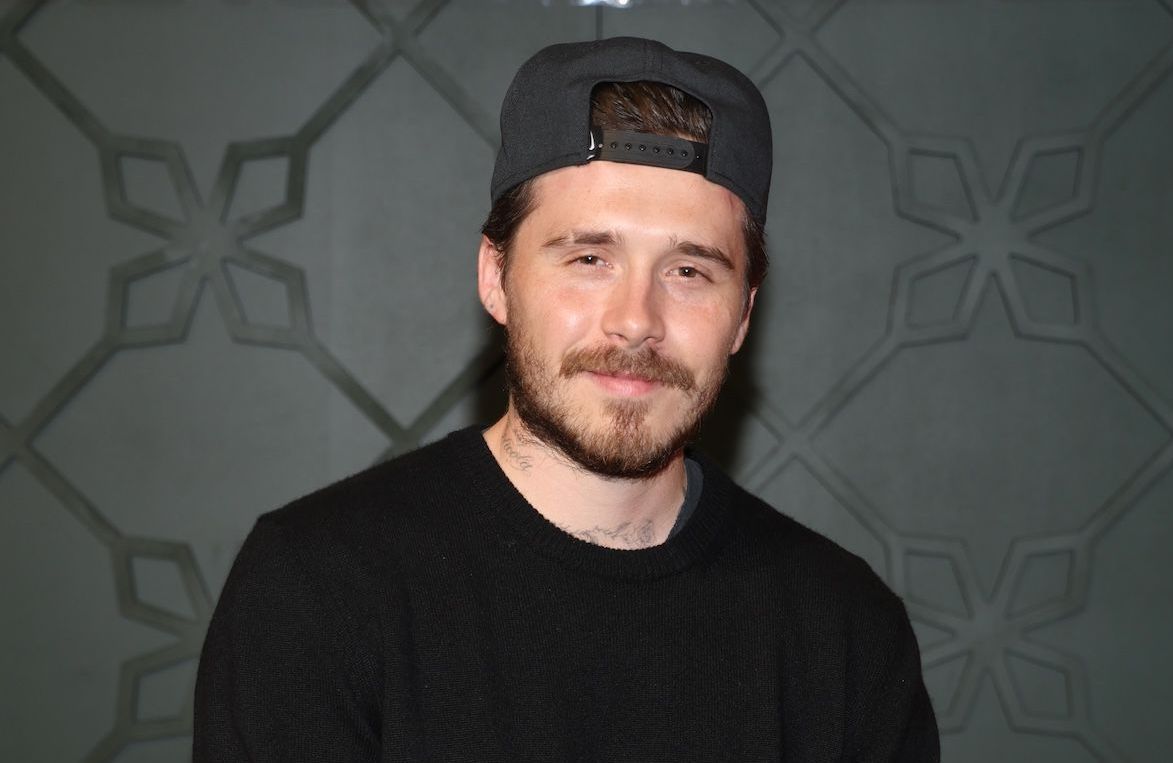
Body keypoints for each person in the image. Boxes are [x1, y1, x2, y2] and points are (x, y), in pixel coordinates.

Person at [194, 37, 939, 761]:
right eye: (589, 258)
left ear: (743, 314)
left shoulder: (847, 631)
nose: (636, 320)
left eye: (688, 271)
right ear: (496, 277)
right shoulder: (315, 589)